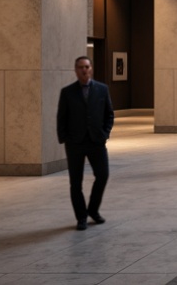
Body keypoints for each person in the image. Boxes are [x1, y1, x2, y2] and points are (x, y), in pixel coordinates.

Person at [56, 56, 114, 230]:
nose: (84, 70)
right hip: (75, 143)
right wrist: (65, 138)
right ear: (76, 70)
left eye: (87, 67)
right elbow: (62, 118)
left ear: (91, 69)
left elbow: (109, 114)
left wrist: (105, 133)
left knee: (103, 175)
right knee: (76, 182)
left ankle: (93, 210)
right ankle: (81, 217)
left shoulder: (102, 90)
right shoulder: (67, 92)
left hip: (96, 141)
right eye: (81, 67)